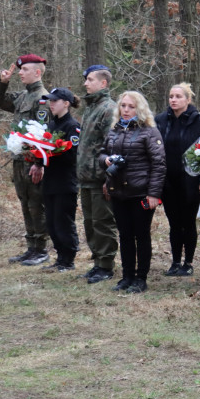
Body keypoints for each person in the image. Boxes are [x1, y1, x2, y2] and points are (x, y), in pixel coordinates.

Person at [100, 91, 166, 294]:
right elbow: (102, 152)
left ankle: (141, 277)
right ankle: (127, 276)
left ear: (140, 109)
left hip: (141, 193)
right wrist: (106, 161)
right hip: (119, 192)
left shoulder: (149, 131)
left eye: (131, 106)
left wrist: (153, 193)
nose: (126, 110)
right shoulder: (114, 130)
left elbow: (159, 164)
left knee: (141, 235)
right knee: (125, 235)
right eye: (123, 106)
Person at [0, 54, 51, 265]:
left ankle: (41, 249)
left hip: (33, 162)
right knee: (25, 203)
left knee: (37, 204)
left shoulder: (43, 98)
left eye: (24, 69)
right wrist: (3, 83)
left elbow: (44, 135)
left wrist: (38, 163)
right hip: (19, 160)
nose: (20, 73)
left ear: (37, 72)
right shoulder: (22, 96)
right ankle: (31, 248)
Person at [155, 82, 200, 276]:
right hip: (168, 180)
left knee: (187, 222)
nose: (173, 100)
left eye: (178, 96)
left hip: (191, 180)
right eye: (171, 96)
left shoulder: (199, 121)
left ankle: (188, 263)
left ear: (188, 100)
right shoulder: (161, 120)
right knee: (173, 223)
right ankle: (174, 261)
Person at [76, 65, 118, 284]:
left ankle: (106, 265)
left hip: (101, 178)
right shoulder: (91, 108)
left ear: (103, 83)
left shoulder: (109, 109)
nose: (85, 83)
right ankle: (97, 262)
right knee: (90, 223)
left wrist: (109, 178)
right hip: (86, 178)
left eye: (90, 80)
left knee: (103, 222)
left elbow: (111, 147)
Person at [34, 88, 82, 272]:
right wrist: (36, 158)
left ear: (66, 103)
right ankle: (60, 257)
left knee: (63, 222)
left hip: (65, 182)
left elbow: (72, 155)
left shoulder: (72, 126)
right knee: (52, 223)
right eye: (50, 101)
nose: (51, 104)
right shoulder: (50, 126)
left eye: (55, 101)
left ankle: (68, 259)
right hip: (50, 181)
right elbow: (41, 152)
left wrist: (52, 151)